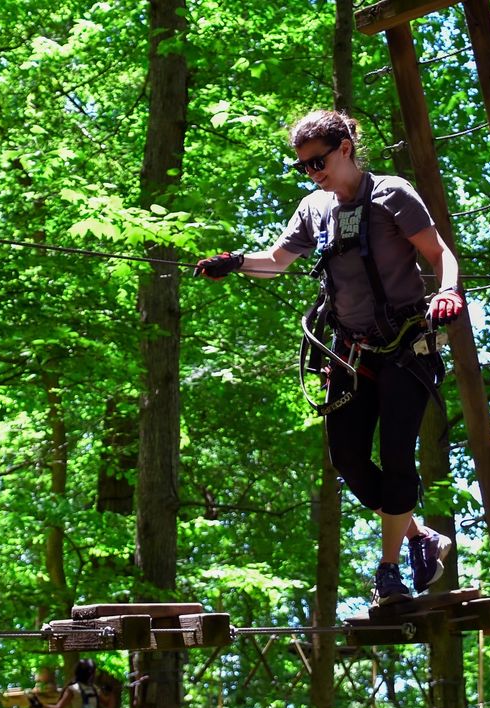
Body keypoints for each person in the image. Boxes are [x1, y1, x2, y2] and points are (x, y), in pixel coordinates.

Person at [195, 109, 464, 605]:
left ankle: (388, 573)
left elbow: (440, 253)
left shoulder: (392, 193)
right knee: (350, 462)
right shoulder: (314, 209)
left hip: (406, 347)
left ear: (345, 148)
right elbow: (276, 262)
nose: (313, 174)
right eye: (304, 167)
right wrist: (233, 263)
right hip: (349, 354)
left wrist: (447, 293)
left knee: (398, 457)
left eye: (318, 162)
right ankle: (421, 538)